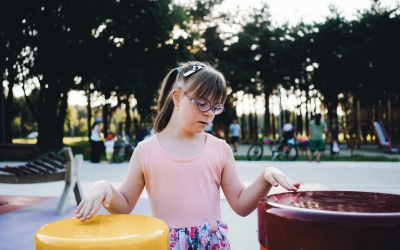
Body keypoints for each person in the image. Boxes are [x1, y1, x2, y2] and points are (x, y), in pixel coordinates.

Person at [76, 62, 300, 250]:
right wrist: (104, 186)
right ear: (176, 97)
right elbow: (124, 205)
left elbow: (241, 205)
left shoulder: (220, 149)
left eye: (215, 107)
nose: (209, 113)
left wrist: (265, 176)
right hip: (166, 245)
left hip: (211, 244)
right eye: (202, 103)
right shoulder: (146, 151)